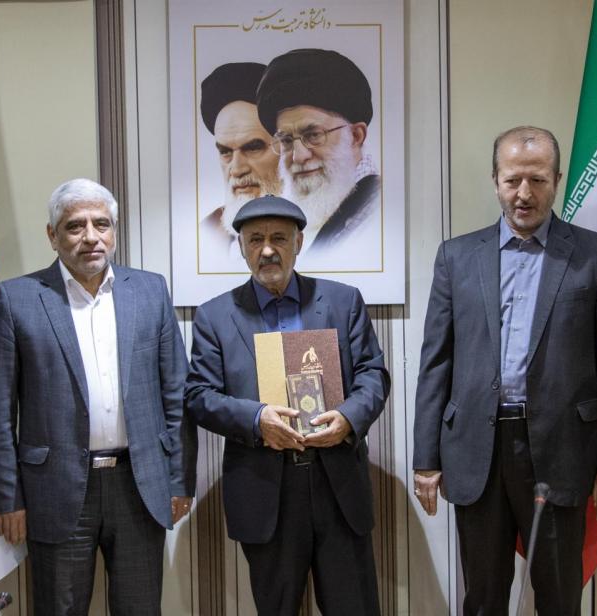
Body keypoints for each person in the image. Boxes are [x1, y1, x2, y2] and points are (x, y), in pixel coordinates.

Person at [412, 126, 597, 615]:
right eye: (513, 180)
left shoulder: (595, 255)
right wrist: (425, 457)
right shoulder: (456, 257)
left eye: (537, 180)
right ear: (495, 180)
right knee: (483, 596)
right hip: (477, 449)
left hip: (561, 449)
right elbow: (436, 362)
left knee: (559, 596)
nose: (524, 194)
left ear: (557, 179)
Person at [0, 179, 195, 615]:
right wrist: (8, 498)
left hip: (139, 486)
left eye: (101, 224)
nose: (91, 237)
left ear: (114, 230)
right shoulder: (17, 299)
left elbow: (176, 394)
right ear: (52, 235)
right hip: (54, 490)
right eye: (75, 226)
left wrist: (178, 479)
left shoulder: (150, 290)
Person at [185, 196, 389, 615]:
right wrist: (256, 419)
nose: (267, 250)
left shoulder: (343, 301)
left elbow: (373, 373)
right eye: (255, 239)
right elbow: (199, 395)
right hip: (265, 490)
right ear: (241, 247)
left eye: (278, 238)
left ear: (298, 242)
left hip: (337, 485)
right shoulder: (214, 316)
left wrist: (348, 418)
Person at [256, 48, 380, 255]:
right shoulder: (314, 216)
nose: (298, 156)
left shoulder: (373, 210)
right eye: (286, 140)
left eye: (313, 135)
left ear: (356, 136)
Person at [198, 62, 282, 258]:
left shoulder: (327, 231)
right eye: (225, 152)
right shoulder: (208, 230)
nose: (236, 169)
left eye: (253, 148)